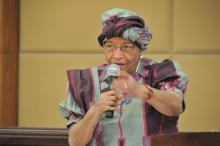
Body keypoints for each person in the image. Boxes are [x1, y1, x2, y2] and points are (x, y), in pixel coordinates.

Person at [59, 8, 188, 146]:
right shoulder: (83, 81)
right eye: (110, 46)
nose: (117, 56)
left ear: (140, 49)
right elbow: (75, 142)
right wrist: (96, 109)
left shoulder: (162, 72)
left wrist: (142, 91)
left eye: (126, 47)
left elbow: (175, 106)